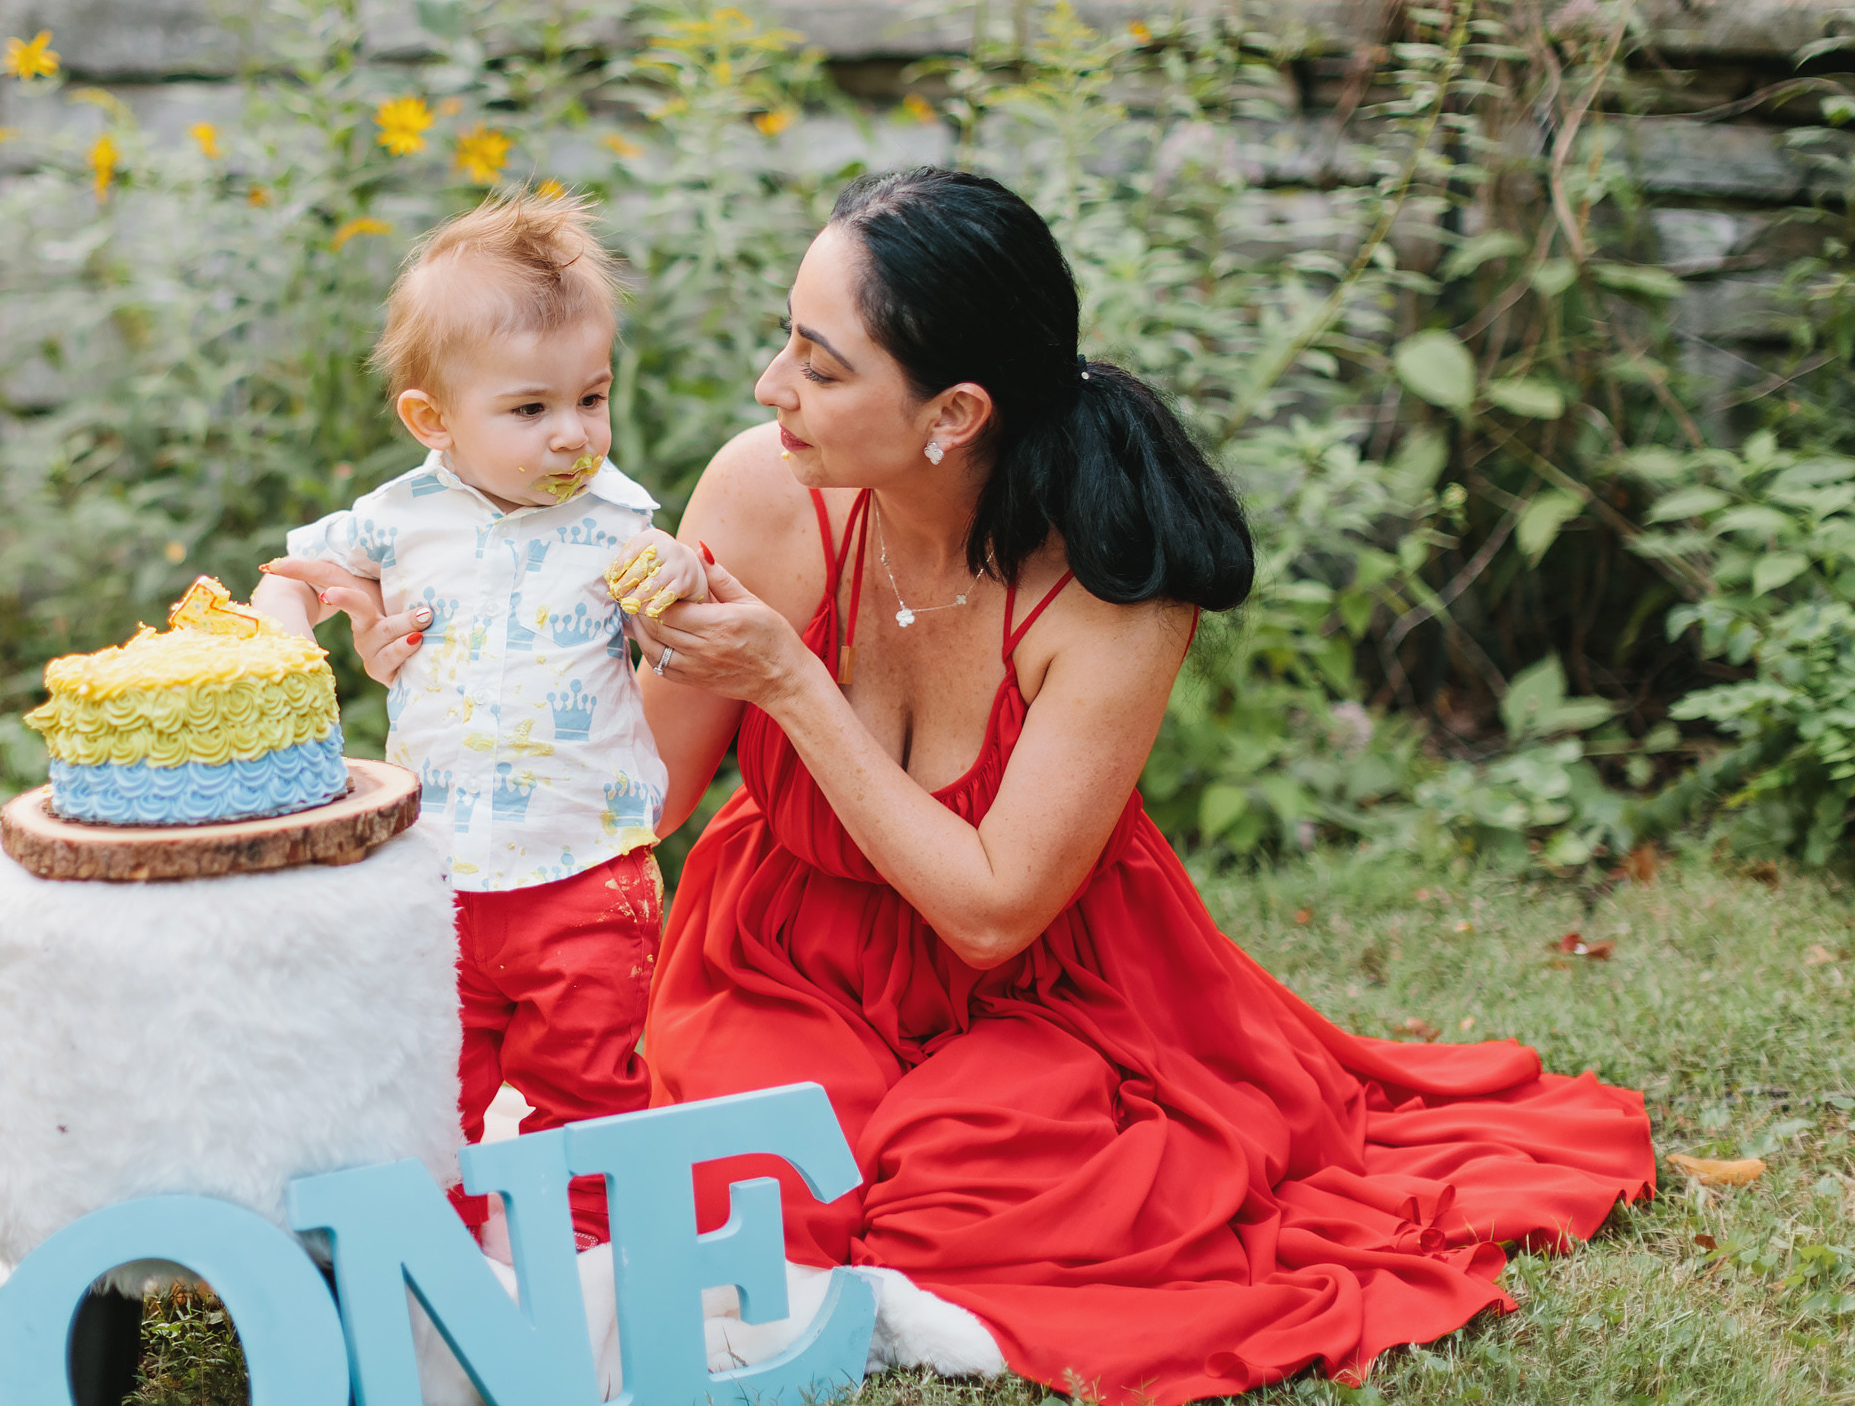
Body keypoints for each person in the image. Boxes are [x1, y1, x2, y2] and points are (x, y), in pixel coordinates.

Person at [612, 166, 1657, 1400]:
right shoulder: (760, 489)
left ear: (953, 413)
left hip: (1046, 989)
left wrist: (789, 683)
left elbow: (994, 909)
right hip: (784, 950)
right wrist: (520, 661)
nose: (770, 386)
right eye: (788, 339)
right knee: (755, 1190)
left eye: (820, 365)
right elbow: (647, 804)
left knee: (982, 1204)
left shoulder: (1115, 588)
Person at [253, 187, 703, 1249]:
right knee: (425, 1093)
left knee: (593, 1083)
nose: (571, 434)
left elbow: (686, 640)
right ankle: (432, 1256)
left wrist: (681, 580)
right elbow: (299, 569)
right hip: (438, 877)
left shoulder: (617, 528)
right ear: (433, 420)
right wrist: (285, 628)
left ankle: (594, 1257)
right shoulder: (398, 519)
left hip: (586, 875)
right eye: (530, 409)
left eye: (591, 399)